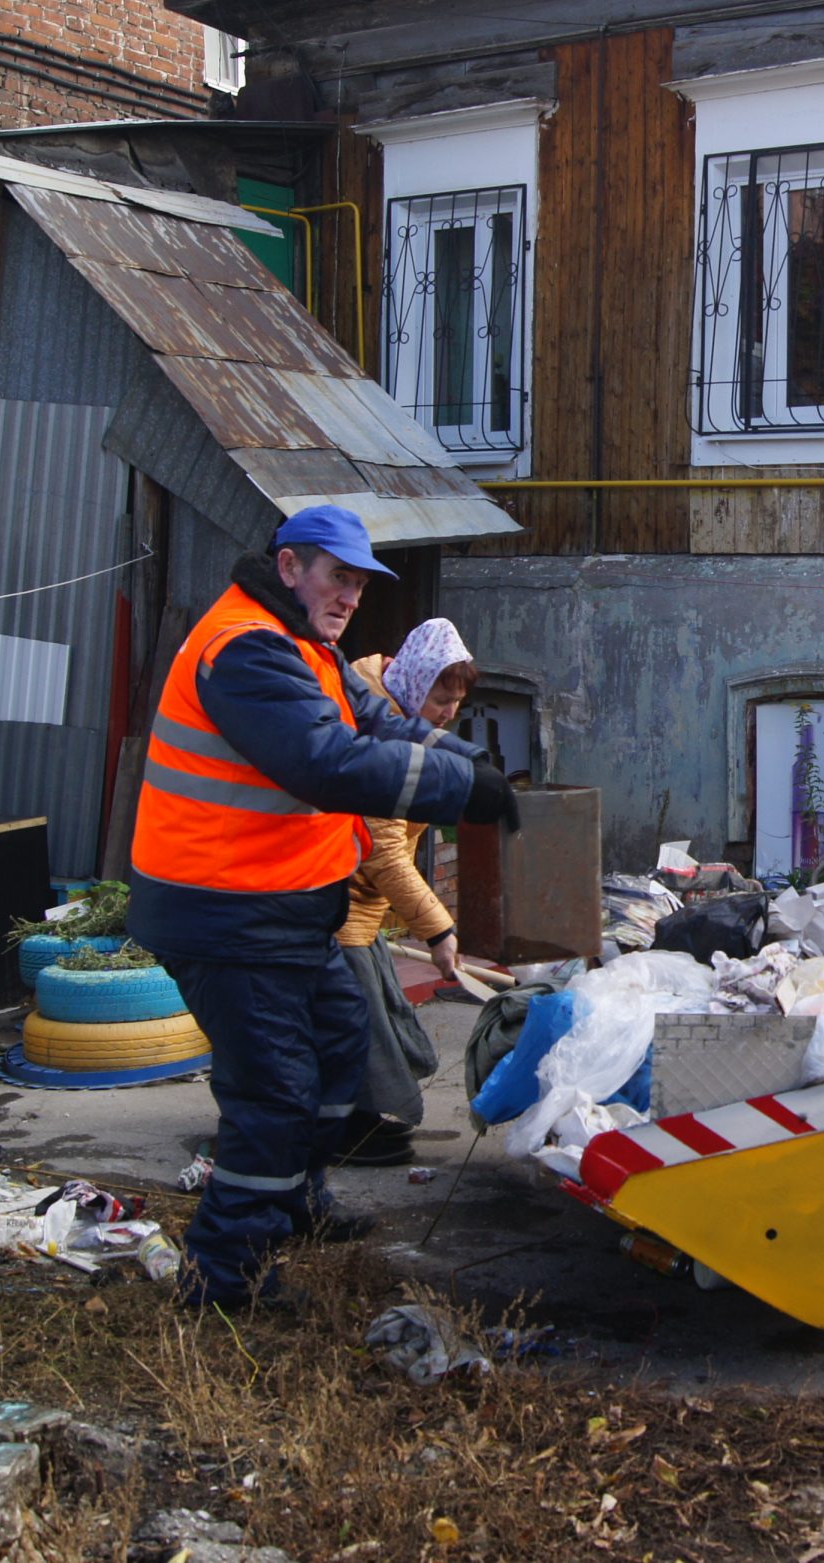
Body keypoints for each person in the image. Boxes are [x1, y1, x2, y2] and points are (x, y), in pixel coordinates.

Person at [129, 505, 518, 1310]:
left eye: (360, 582)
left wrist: (474, 763)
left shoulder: (307, 647)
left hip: (284, 908)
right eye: (336, 576)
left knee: (341, 1050)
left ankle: (294, 1200)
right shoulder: (245, 651)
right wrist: (457, 790)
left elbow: (377, 717)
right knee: (273, 1098)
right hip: (225, 913)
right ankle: (222, 1277)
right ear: (289, 567)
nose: (350, 596)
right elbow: (326, 761)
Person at [328, 618, 482, 1166]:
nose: (446, 714)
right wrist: (440, 929)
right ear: (415, 683)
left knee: (375, 1011)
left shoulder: (392, 711)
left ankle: (361, 1119)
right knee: (356, 1016)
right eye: (441, 698)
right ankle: (347, 1131)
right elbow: (383, 848)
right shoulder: (377, 730)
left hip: (360, 901)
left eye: (455, 705)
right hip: (333, 897)